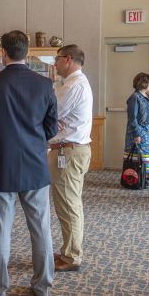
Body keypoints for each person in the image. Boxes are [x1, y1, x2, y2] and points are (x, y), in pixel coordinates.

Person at [0, 30, 58, 296]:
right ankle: (42, 286)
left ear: (4, 53)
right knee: (41, 229)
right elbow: (52, 128)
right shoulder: (44, 84)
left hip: (0, 165)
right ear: (27, 51)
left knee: (0, 231)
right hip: (35, 166)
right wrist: (33, 141)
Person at [47, 44, 93, 273]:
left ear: (68, 59)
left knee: (69, 205)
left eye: (57, 59)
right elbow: (53, 116)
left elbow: (49, 114)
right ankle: (69, 250)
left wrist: (51, 120)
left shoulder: (74, 85)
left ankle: (72, 256)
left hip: (69, 151)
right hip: (70, 149)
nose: (54, 64)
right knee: (68, 204)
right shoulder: (72, 83)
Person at [123, 72, 149, 186]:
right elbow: (132, 118)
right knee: (141, 157)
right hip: (140, 131)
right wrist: (136, 134)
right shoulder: (134, 97)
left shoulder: (148, 96)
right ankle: (140, 177)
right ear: (144, 83)